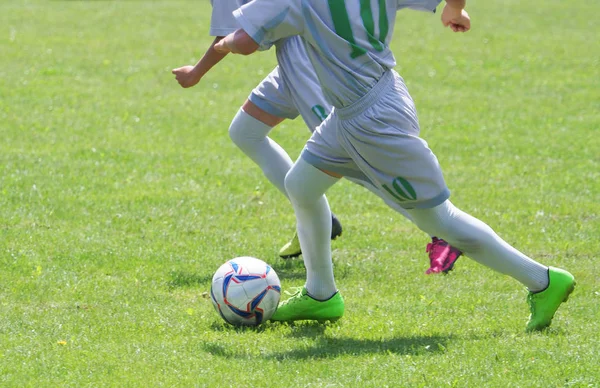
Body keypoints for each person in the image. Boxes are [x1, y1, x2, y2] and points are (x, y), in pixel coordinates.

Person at [214, 0, 576, 331]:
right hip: (365, 103)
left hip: (373, 122)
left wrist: (225, 43)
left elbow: (246, 41)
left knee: (438, 219)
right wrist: (455, 9)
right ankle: (321, 294)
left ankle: (542, 281)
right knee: (301, 186)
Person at [172, 0, 462, 273]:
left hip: (314, 63)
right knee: (245, 131)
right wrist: (455, 9)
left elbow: (232, 36)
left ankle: (442, 232)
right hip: (295, 55)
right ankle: (318, 218)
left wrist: (195, 73)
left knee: (356, 159)